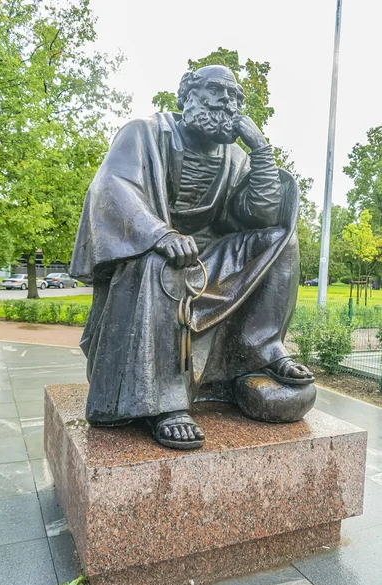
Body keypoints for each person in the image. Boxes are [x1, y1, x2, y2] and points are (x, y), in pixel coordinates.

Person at [71, 65, 315, 450]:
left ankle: (260, 352)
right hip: (149, 252)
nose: (227, 102)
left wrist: (262, 151)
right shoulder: (144, 133)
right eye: (216, 91)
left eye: (235, 97)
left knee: (279, 238)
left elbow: (261, 214)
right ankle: (165, 404)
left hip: (208, 257)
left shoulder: (234, 158)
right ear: (187, 96)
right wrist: (160, 234)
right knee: (162, 265)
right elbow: (113, 189)